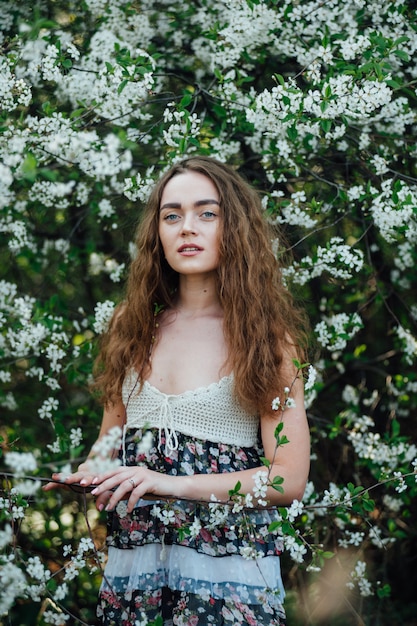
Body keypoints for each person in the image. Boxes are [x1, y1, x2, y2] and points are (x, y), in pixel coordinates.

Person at [46, 156, 310, 625]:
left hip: (227, 575)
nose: (187, 227)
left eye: (207, 213)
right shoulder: (131, 329)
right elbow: (110, 444)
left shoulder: (267, 340)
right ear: (157, 232)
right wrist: (90, 472)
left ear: (236, 227)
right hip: (137, 573)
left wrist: (172, 485)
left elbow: (286, 479)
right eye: (172, 215)